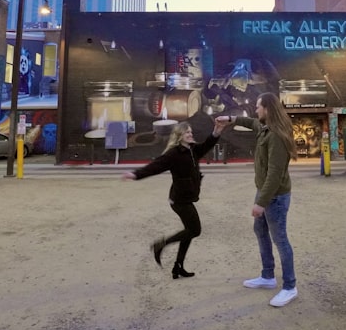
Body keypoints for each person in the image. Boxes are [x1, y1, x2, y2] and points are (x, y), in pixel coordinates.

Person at [216, 92, 299, 307]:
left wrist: (260, 203)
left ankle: (290, 287)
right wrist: (230, 119)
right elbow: (251, 122)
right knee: (260, 231)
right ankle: (268, 276)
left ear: (268, 109)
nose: (256, 110)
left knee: (280, 239)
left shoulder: (276, 137)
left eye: (259, 106)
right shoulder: (265, 128)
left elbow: (274, 174)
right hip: (265, 192)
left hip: (275, 197)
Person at [121, 120, 226, 279]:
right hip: (179, 200)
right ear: (179, 136)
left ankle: (178, 266)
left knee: (188, 232)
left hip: (187, 197)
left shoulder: (192, 150)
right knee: (195, 230)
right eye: (187, 132)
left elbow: (207, 144)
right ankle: (160, 244)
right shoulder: (173, 154)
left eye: (191, 132)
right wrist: (136, 174)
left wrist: (216, 132)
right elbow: (155, 166)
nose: (190, 134)